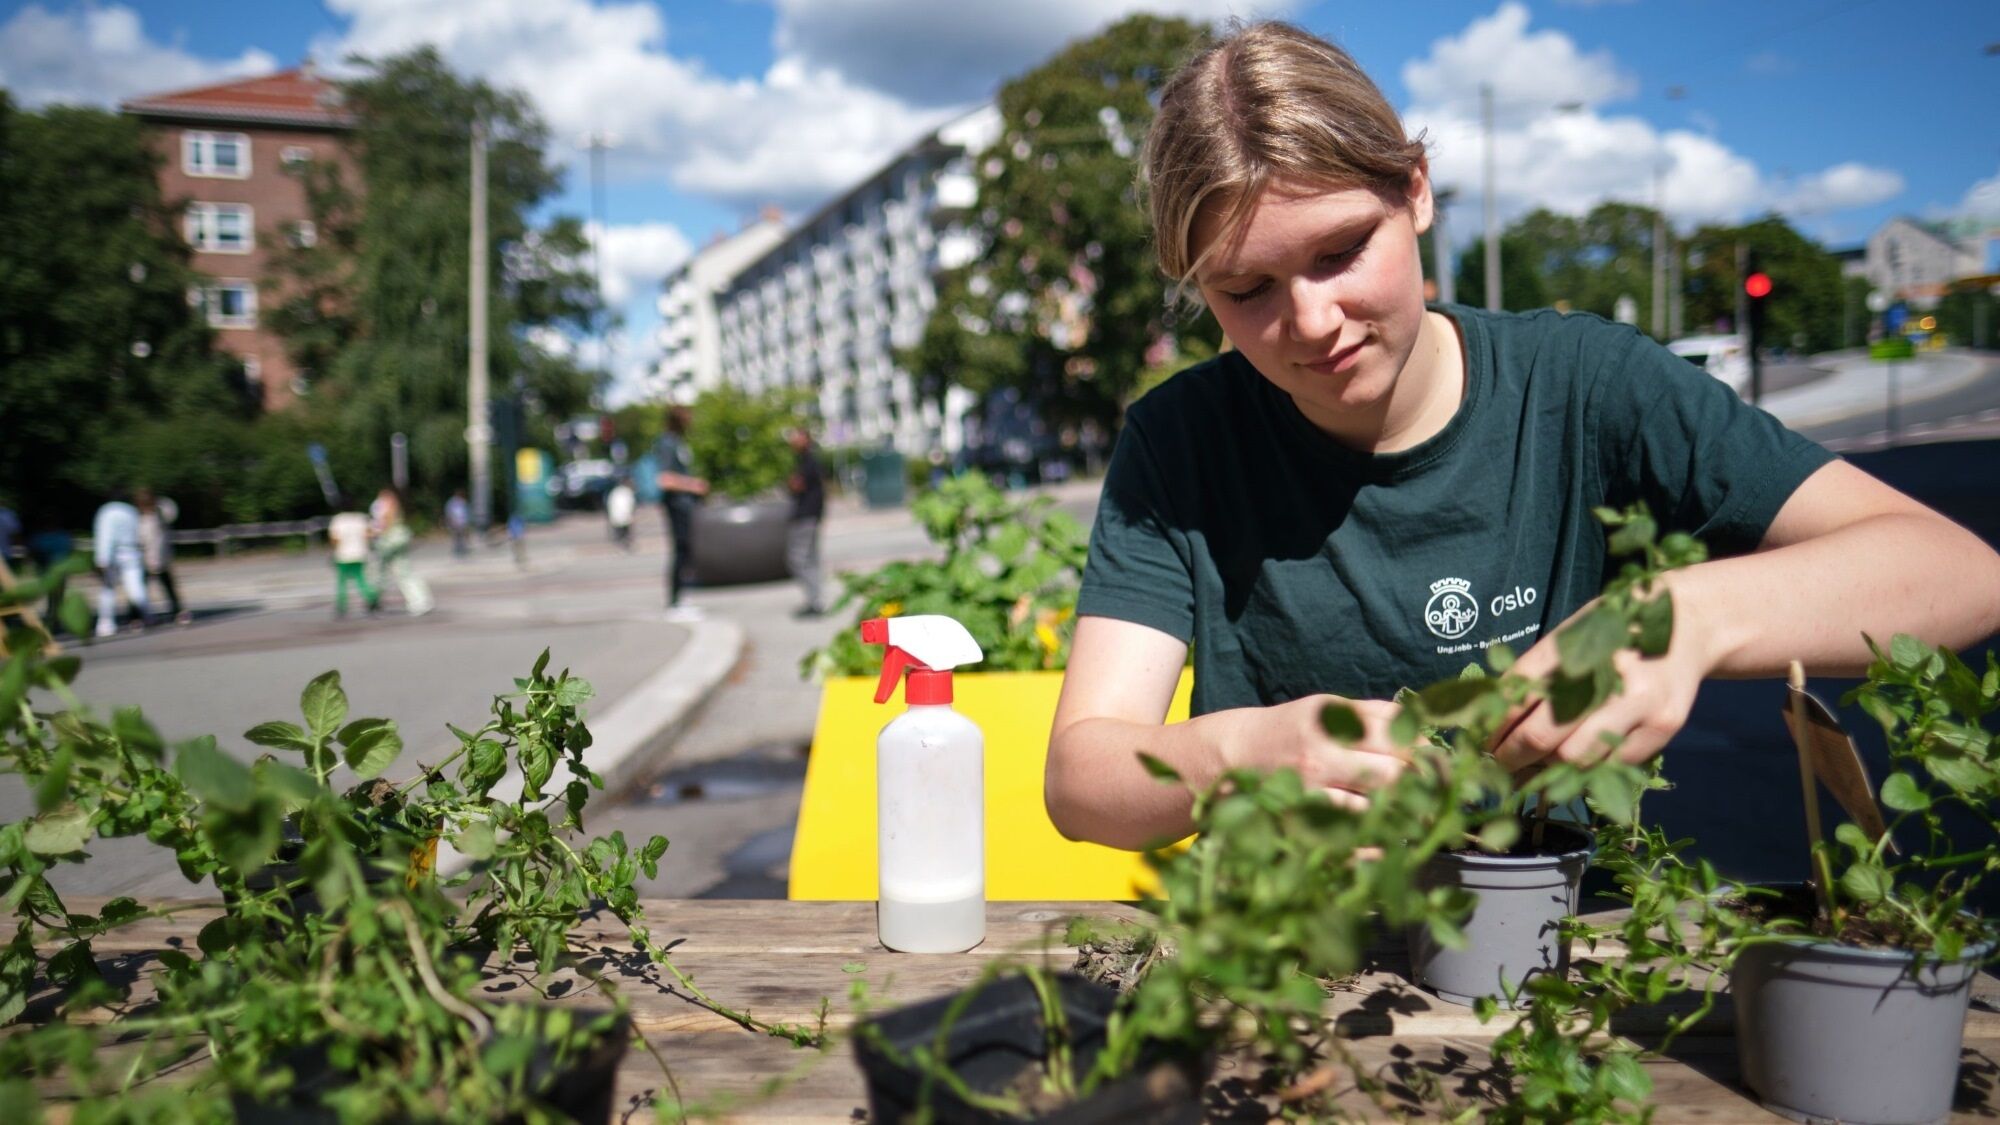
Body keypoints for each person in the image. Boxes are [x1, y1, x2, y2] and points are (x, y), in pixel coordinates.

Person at [1042, 21, 2000, 852]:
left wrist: (1684, 620)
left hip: (1552, 956)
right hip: (1294, 964)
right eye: (1245, 291)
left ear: (1415, 191)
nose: (1313, 321)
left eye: (1341, 253)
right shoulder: (1180, 442)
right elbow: (1082, 777)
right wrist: (1237, 752)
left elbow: (1959, 574)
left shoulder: (1586, 384)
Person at [654, 405, 709, 621]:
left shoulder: (677, 442)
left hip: (684, 505)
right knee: (680, 549)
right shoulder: (667, 443)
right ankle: (675, 601)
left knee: (685, 549)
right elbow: (665, 479)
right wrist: (693, 485)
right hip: (676, 504)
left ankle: (681, 597)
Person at [91, 490, 150, 636]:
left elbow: (105, 537)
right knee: (136, 587)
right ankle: (146, 616)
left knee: (108, 590)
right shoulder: (131, 511)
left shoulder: (106, 511)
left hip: (113, 553)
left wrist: (102, 560)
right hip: (132, 551)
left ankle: (106, 624)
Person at [369, 488, 433, 616]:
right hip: (398, 539)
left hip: (389, 542)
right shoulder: (394, 505)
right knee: (404, 572)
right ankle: (421, 601)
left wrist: (375, 532)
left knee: (381, 573)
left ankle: (374, 600)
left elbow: (384, 523)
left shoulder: (386, 506)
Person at [785, 425, 827, 618]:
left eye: (796, 437)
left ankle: (814, 601)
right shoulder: (806, 460)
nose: (792, 441)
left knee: (799, 559)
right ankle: (814, 600)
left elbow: (797, 485)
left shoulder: (808, 461)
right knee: (810, 559)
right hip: (810, 516)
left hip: (806, 516)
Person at [135, 488, 191, 626]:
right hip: (147, 560)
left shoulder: (160, 516)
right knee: (141, 590)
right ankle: (137, 617)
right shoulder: (140, 520)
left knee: (168, 588)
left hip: (160, 559)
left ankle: (178, 612)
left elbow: (171, 508)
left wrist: (157, 501)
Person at [327, 497, 379, 619]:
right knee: (361, 579)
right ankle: (371, 598)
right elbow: (368, 534)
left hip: (343, 555)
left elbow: (335, 539)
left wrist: (333, 550)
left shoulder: (338, 520)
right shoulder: (361, 518)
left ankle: (342, 606)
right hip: (360, 553)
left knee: (342, 582)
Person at [605, 474, 637, 552]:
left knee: (619, 532)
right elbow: (629, 505)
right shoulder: (627, 492)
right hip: (624, 516)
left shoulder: (615, 492)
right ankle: (625, 544)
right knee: (625, 532)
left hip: (616, 516)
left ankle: (621, 544)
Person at [444, 489, 471, 558]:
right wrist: (450, 521)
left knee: (462, 536)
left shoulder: (463, 502)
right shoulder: (451, 502)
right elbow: (449, 512)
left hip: (462, 522)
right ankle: (457, 549)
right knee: (456, 536)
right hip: (454, 522)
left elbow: (467, 513)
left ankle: (462, 549)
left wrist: (467, 522)